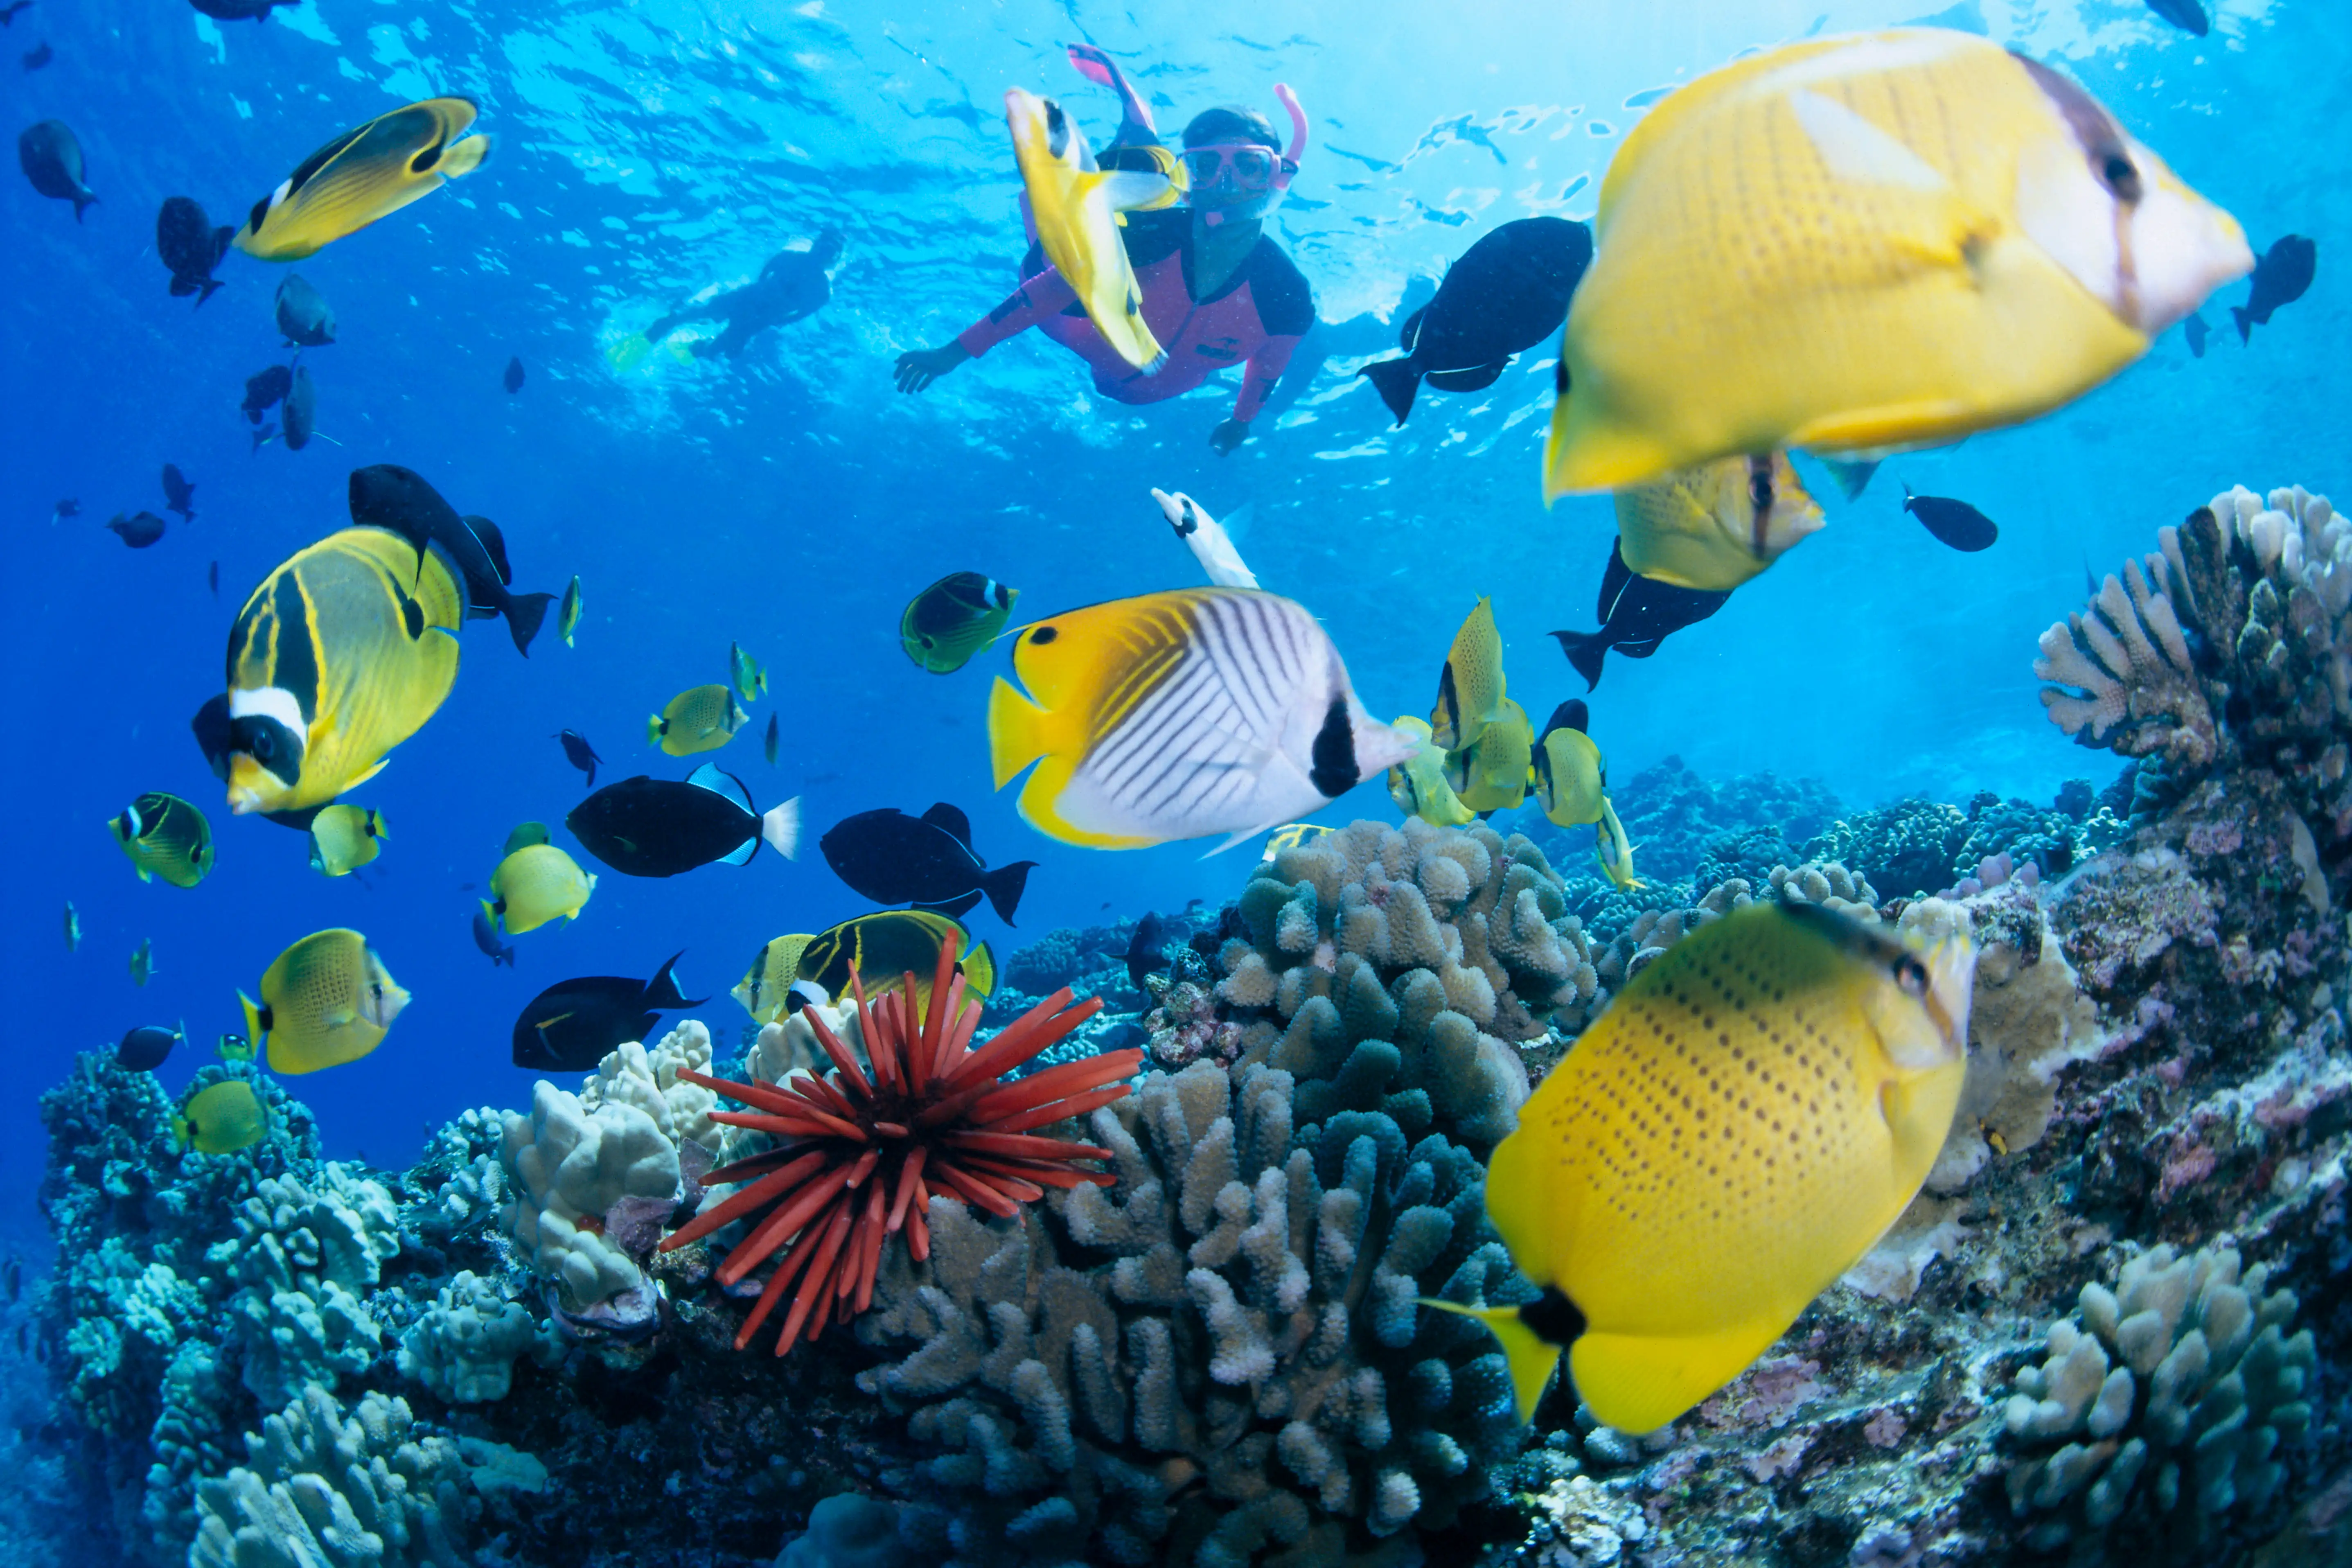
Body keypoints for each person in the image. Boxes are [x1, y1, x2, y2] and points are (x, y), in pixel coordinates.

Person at [895, 61, 1312, 456]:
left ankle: (1139, 144)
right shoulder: (1145, 238)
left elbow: (1268, 366)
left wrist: (1241, 422)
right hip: (1069, 322)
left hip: (1142, 373)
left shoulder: (1287, 295)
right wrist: (953, 352)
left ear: (1276, 176)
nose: (1226, 183)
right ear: (1189, 181)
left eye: (1248, 166)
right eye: (1205, 165)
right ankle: (1134, 145)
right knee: (1076, 226)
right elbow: (1048, 292)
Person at [646, 230, 843, 359]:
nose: (821, 253)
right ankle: (671, 320)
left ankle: (700, 348)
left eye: (828, 252)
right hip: (748, 299)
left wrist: (774, 320)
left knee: (729, 351)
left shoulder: (822, 292)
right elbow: (766, 272)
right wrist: (760, 293)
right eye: (822, 247)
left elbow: (800, 315)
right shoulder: (790, 257)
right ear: (815, 245)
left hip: (761, 318)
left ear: (833, 259)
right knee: (707, 310)